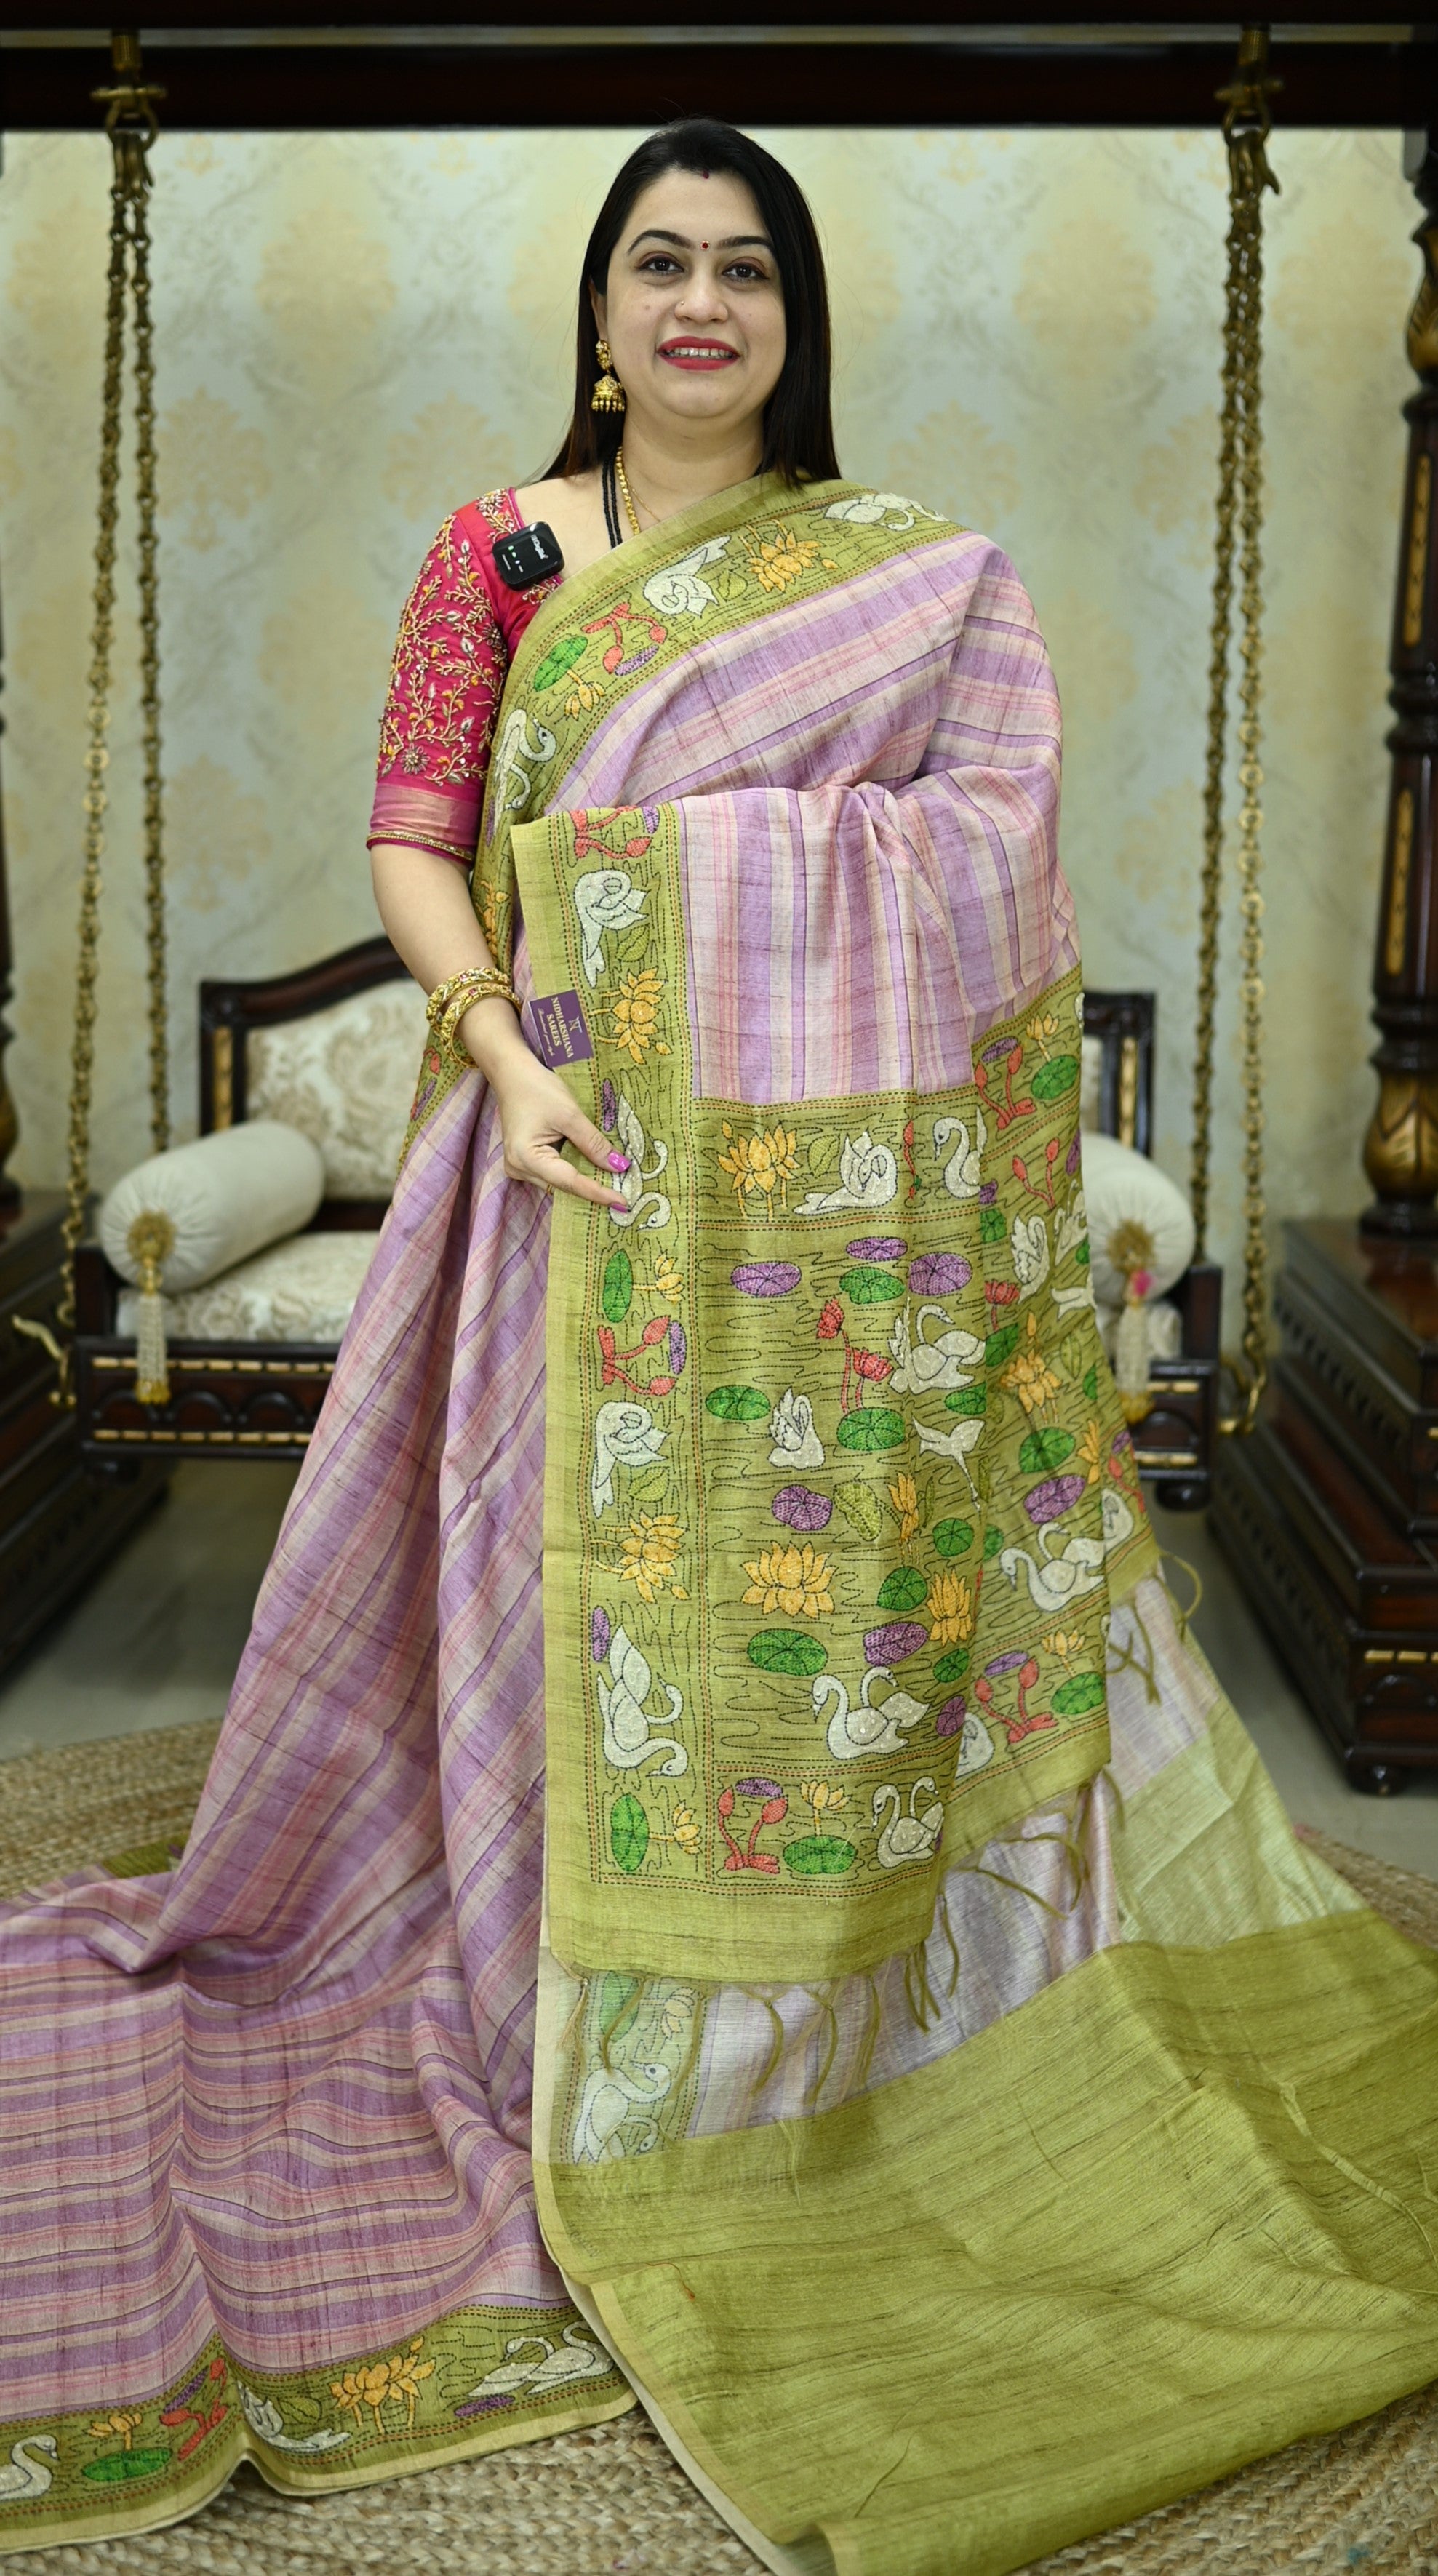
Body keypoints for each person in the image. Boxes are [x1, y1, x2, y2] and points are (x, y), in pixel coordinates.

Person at [1, 118, 1434, 2576]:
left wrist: (673, 896)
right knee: (533, 1597)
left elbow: (991, 845)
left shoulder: (908, 577)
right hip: (554, 1165)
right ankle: (532, 1965)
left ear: (792, 317)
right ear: (597, 308)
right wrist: (504, 1047)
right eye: (657, 262)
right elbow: (414, 830)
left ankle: (826, 2005)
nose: (698, 303)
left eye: (743, 268)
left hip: (818, 1244)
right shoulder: (499, 552)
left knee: (798, 1610)